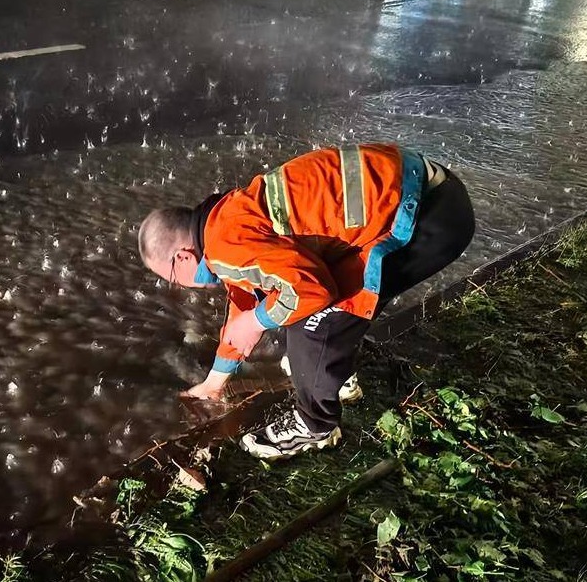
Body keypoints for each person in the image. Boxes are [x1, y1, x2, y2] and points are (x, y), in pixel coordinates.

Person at [137, 144, 475, 460]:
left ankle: (315, 426)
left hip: (429, 220)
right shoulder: (222, 222)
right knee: (296, 307)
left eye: (169, 277)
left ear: (182, 258)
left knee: (310, 326)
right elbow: (243, 303)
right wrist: (214, 383)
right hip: (432, 193)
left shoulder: (226, 247)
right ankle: (337, 374)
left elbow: (311, 293)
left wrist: (257, 320)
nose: (177, 285)